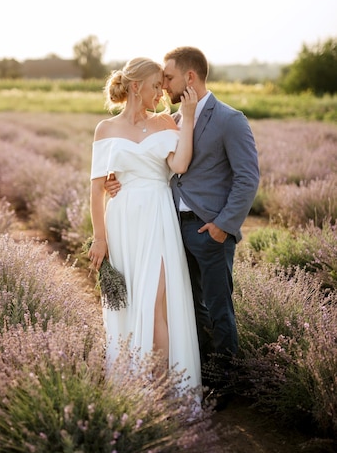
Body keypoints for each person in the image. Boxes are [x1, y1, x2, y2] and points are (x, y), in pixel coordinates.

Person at [107, 47, 260, 404]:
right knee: (188, 310)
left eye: (170, 78)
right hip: (169, 228)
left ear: (190, 78)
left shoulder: (230, 119)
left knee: (219, 308)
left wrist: (223, 225)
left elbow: (248, 178)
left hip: (209, 231)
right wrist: (119, 179)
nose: (165, 84)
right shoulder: (173, 119)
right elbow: (158, 161)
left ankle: (227, 387)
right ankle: (200, 376)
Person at [88, 57, 202, 395]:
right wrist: (99, 238)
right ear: (136, 87)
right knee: (131, 302)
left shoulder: (166, 122)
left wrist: (189, 118)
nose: (162, 92)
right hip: (122, 221)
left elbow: (180, 164)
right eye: (155, 85)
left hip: (158, 217)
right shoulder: (105, 129)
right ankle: (132, 386)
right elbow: (96, 189)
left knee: (155, 304)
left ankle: (161, 390)